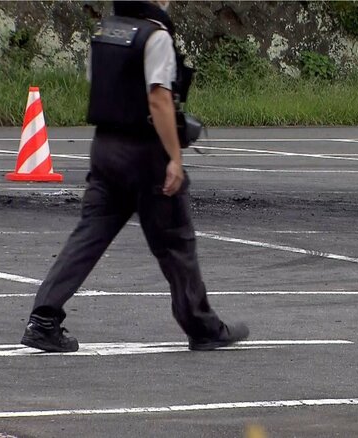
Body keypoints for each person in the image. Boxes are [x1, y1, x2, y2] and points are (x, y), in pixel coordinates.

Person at [20, 0, 248, 352]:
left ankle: (43, 319)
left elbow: (100, 85)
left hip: (105, 148)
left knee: (89, 235)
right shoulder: (154, 37)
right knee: (175, 242)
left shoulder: (104, 33)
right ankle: (202, 327)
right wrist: (174, 156)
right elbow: (158, 99)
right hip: (145, 154)